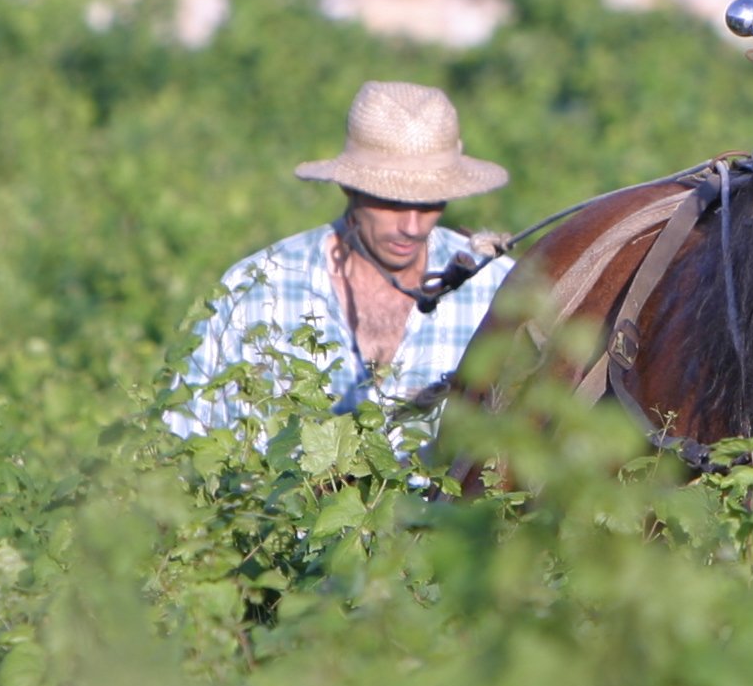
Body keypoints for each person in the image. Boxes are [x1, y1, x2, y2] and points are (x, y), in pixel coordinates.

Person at [168, 80, 518, 442]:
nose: (412, 227)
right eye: (392, 202)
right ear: (349, 186)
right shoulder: (257, 290)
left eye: (431, 203)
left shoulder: (498, 290)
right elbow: (185, 437)